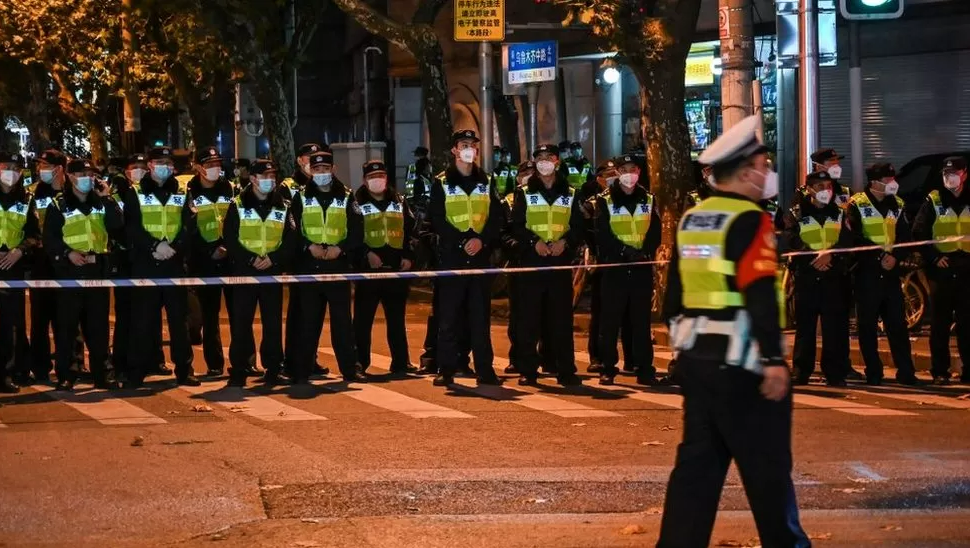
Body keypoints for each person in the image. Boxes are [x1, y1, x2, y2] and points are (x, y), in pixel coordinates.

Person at [658, 115, 808, 548]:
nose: (767, 174)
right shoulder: (751, 220)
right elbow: (760, 295)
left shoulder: (693, 219)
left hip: (698, 361)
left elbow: (673, 297)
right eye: (762, 165)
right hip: (744, 366)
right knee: (768, 472)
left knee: (697, 472)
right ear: (744, 174)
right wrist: (774, 361)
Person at [429, 129, 503, 387]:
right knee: (448, 318)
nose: (469, 148)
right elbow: (437, 219)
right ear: (454, 150)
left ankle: (485, 369)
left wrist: (481, 240)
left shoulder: (488, 181)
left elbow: (496, 217)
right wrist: (462, 241)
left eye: (472, 144)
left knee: (480, 318)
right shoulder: (441, 183)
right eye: (464, 144)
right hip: (453, 257)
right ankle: (446, 368)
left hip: (480, 257)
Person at [44, 159, 124, 391]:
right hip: (69, 272)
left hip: (97, 270)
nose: (88, 178)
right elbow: (50, 238)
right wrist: (67, 253)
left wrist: (108, 197)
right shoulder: (58, 205)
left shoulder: (101, 202)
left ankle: (103, 373)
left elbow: (117, 227)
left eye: (91, 174)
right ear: (70, 177)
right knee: (67, 327)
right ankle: (67, 373)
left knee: (98, 327)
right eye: (82, 173)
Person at [124, 146, 199, 389]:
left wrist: (174, 247)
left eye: (168, 162)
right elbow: (132, 227)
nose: (164, 166)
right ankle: (137, 371)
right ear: (150, 165)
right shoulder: (134, 192)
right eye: (159, 162)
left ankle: (185, 370)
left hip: (174, 263)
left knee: (180, 322)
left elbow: (189, 223)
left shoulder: (181, 191)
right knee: (143, 322)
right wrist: (154, 246)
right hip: (147, 263)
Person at [509, 144, 584, 386]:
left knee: (561, 320)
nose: (544, 162)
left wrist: (566, 242)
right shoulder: (523, 192)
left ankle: (566, 370)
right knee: (529, 320)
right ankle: (528, 369)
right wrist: (533, 242)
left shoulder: (571, 193)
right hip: (532, 263)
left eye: (548, 157)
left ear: (557, 162)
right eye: (539, 158)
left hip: (560, 264)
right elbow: (516, 226)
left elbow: (580, 227)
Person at [290, 150, 365, 383]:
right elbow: (292, 229)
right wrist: (307, 247)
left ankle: (350, 369)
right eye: (317, 170)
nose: (321, 173)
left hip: (337, 266)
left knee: (342, 322)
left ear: (333, 169)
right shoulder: (300, 197)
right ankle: (302, 370)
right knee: (308, 323)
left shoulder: (347, 197)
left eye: (325, 169)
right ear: (310, 171)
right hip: (309, 267)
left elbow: (357, 230)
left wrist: (340, 248)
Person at [223, 159, 297, 387]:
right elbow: (230, 238)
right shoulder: (237, 204)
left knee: (273, 323)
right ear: (253, 179)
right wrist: (250, 259)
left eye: (272, 176)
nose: (269, 180)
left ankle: (274, 368)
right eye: (265, 176)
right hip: (245, 271)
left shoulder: (283, 205)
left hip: (271, 272)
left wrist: (274, 259)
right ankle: (239, 369)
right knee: (241, 323)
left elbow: (291, 238)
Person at [845, 163, 920, 386]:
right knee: (867, 327)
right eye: (888, 180)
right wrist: (879, 257)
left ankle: (906, 373)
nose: (892, 183)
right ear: (874, 182)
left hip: (890, 273)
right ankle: (874, 373)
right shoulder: (856, 204)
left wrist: (895, 256)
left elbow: (905, 236)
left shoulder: (897, 204)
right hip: (867, 272)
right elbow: (855, 238)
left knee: (897, 325)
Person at [593, 154, 661, 385]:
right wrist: (623, 252)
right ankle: (607, 367)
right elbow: (602, 233)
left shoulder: (649, 199)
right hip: (615, 267)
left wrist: (645, 252)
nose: (629, 173)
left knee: (641, 322)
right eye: (625, 169)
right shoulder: (605, 200)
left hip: (641, 267)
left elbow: (655, 231)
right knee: (610, 321)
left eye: (633, 169)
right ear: (618, 173)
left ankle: (644, 368)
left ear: (639, 172)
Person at [781, 171, 850, 386]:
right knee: (805, 328)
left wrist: (831, 256)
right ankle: (801, 371)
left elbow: (847, 242)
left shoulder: (839, 213)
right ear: (809, 189)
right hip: (807, 276)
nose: (825, 191)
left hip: (832, 275)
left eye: (828, 186)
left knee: (834, 329)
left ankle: (835, 373)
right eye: (820, 187)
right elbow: (790, 239)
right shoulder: (796, 212)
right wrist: (813, 256)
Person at [353, 161, 418, 375]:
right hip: (368, 271)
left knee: (397, 320)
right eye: (372, 176)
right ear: (364, 180)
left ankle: (401, 362)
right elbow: (351, 236)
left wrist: (408, 256)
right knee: (363, 321)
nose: (377, 179)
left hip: (396, 270)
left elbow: (411, 231)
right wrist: (366, 254)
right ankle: (359, 362)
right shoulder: (355, 202)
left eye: (381, 175)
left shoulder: (399, 201)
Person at [913, 156, 970, 385]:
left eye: (954, 173)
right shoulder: (934, 200)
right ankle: (940, 371)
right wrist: (934, 257)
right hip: (941, 269)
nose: (950, 178)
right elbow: (919, 232)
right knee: (940, 323)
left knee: (968, 323)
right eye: (946, 174)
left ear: (964, 173)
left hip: (967, 267)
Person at [187, 146, 235, 377]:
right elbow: (189, 228)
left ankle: (243, 362)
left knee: (238, 315)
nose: (215, 168)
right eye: (209, 164)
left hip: (229, 259)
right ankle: (215, 364)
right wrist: (209, 251)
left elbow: (237, 222)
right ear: (198, 167)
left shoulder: (230, 189)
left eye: (217, 164)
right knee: (209, 315)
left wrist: (227, 246)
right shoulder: (189, 192)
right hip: (203, 261)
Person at [283, 142, 330, 378]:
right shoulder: (288, 187)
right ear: (300, 161)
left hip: (323, 257)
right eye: (308, 159)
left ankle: (310, 358)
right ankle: (293, 360)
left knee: (316, 312)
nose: (313, 163)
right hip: (299, 257)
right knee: (299, 312)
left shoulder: (327, 185)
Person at [0, 151, 40, 392]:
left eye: (17, 169)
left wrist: (19, 251)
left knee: (11, 325)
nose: (12, 173)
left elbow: (35, 234)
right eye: (7, 167)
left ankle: (7, 374)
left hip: (11, 267)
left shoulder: (26, 199)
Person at [28, 149, 69, 382]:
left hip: (68, 260)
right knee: (40, 317)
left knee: (68, 316)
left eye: (45, 165)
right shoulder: (33, 193)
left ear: (59, 168)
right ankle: (40, 366)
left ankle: (72, 364)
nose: (40, 169)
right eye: (40, 165)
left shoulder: (72, 192)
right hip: (41, 260)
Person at [501, 160, 534, 375]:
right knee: (519, 315)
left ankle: (549, 358)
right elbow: (502, 230)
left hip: (544, 262)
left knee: (549, 315)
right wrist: (514, 246)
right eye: (525, 172)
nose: (529, 175)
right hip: (518, 263)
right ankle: (518, 358)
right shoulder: (508, 201)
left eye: (533, 172)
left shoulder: (546, 195)